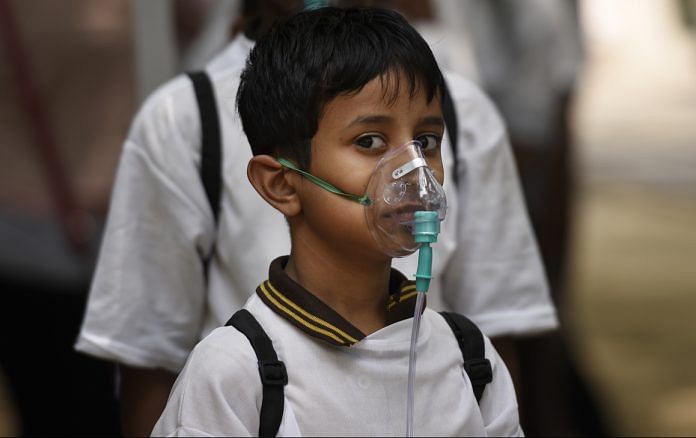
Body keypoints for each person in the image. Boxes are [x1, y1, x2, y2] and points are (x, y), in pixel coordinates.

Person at [76, 1, 555, 435]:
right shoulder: (234, 373)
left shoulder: (470, 360)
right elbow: (145, 359)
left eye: (427, 142)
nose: (413, 172)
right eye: (369, 142)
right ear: (281, 184)